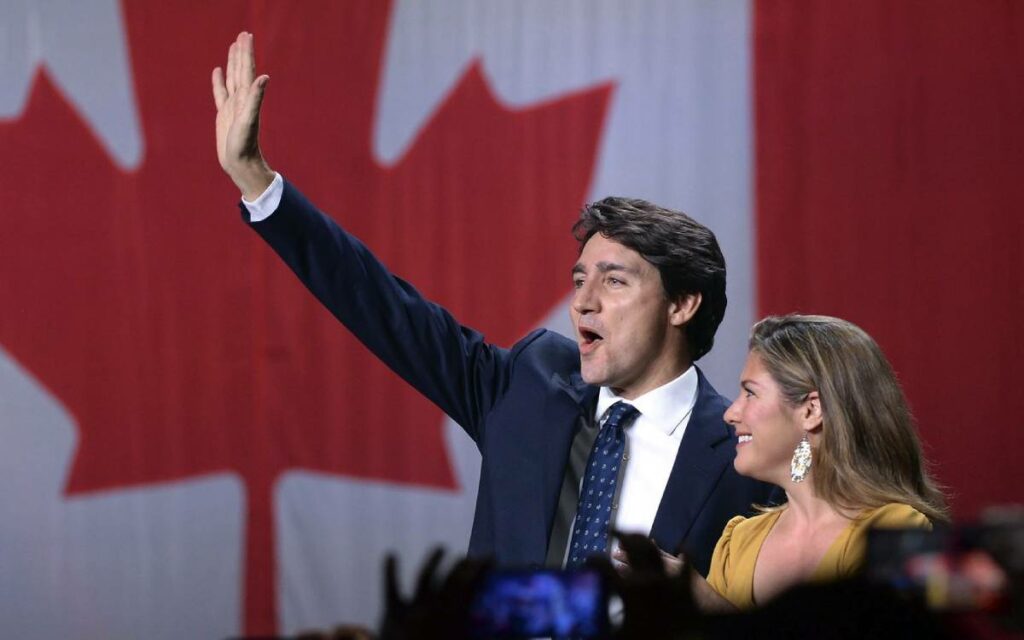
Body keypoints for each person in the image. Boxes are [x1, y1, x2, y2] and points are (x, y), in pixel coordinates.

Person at [211, 32, 776, 576]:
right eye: (579, 279)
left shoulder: (743, 456)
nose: (582, 303)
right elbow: (381, 306)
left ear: (682, 305)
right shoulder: (526, 387)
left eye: (614, 282)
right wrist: (257, 182)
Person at [670, 314, 949, 610]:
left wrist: (713, 606)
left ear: (811, 411)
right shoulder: (738, 541)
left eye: (750, 393)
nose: (731, 413)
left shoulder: (893, 530)